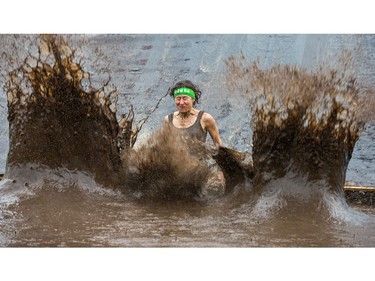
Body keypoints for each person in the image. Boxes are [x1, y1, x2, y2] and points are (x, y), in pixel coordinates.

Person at [163, 80, 225, 195]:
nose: (181, 102)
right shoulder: (168, 119)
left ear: (193, 99)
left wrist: (221, 171)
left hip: (199, 169)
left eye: (185, 98)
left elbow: (218, 145)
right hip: (178, 169)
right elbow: (166, 147)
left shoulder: (205, 118)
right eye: (178, 98)